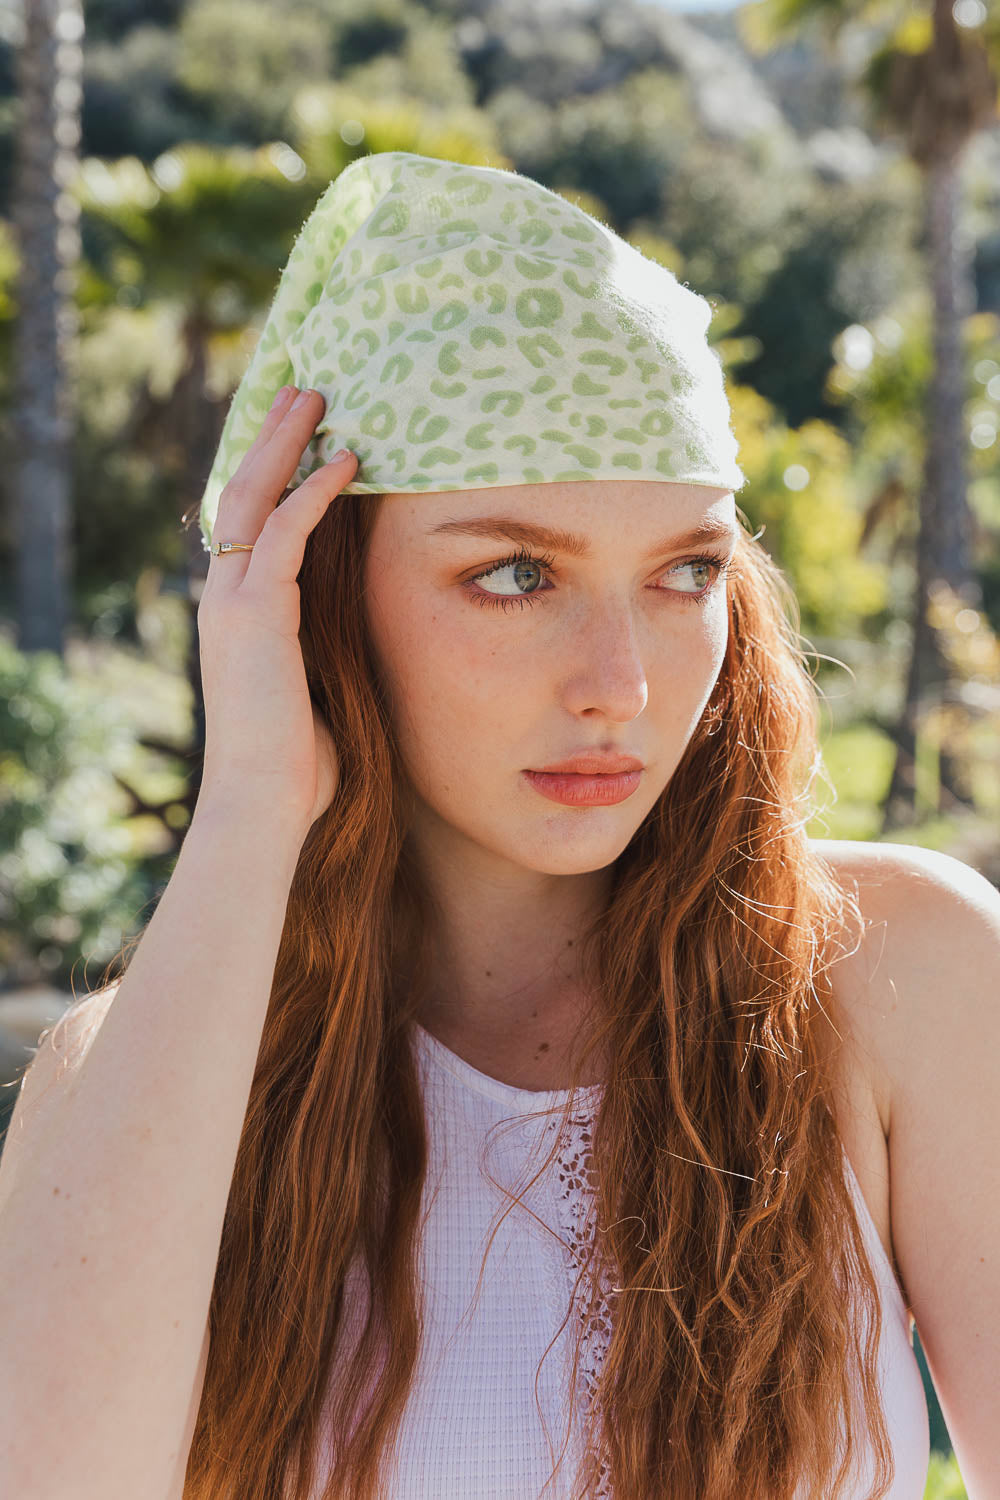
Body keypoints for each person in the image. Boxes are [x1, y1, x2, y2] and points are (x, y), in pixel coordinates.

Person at [0, 152, 997, 1500]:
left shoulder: (899, 976)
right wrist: (250, 806)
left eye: (683, 572)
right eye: (515, 575)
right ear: (325, 594)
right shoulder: (142, 1071)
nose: (622, 686)